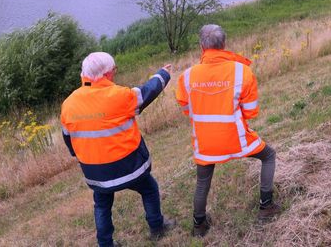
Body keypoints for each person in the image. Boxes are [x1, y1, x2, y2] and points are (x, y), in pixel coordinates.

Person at [175, 24, 281, 237]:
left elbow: (187, 109)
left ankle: (199, 226)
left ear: (201, 46)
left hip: (205, 143)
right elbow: (251, 112)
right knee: (268, 155)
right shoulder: (242, 71)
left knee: (202, 181)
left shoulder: (186, 76)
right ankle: (266, 207)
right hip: (237, 139)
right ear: (224, 44)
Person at [60, 52, 174, 247]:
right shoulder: (120, 95)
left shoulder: (68, 104)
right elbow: (147, 92)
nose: (115, 73)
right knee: (149, 189)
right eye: (114, 70)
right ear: (106, 75)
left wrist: (81, 155)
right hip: (130, 167)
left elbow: (68, 140)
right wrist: (163, 74)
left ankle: (105, 244)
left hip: (96, 173)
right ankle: (157, 227)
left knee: (102, 205)